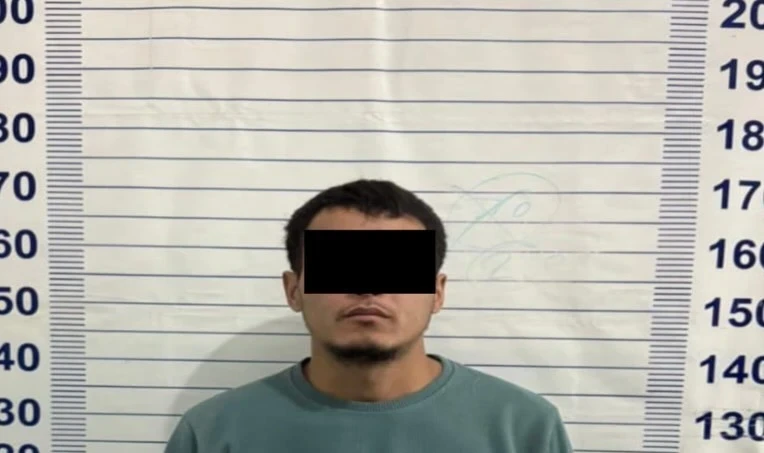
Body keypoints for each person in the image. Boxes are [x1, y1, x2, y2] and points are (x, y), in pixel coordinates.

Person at [164, 178, 574, 453]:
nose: (368, 287)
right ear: (293, 290)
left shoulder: (523, 428)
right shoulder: (214, 433)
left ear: (437, 292)